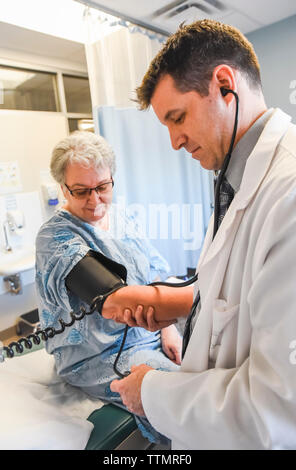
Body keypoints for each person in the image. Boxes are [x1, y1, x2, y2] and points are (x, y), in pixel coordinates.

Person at [101, 19, 296, 449]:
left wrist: (150, 393)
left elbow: (277, 410)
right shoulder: (237, 178)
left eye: (178, 117)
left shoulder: (288, 192)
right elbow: (237, 300)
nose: (174, 142)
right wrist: (180, 307)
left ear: (224, 85)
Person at [35, 130, 182, 445]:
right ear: (63, 188)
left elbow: (157, 270)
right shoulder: (55, 237)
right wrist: (195, 300)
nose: (94, 200)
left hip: (151, 335)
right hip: (99, 355)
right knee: (173, 391)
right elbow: (114, 301)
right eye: (81, 191)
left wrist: (170, 330)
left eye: (102, 187)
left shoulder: (121, 217)